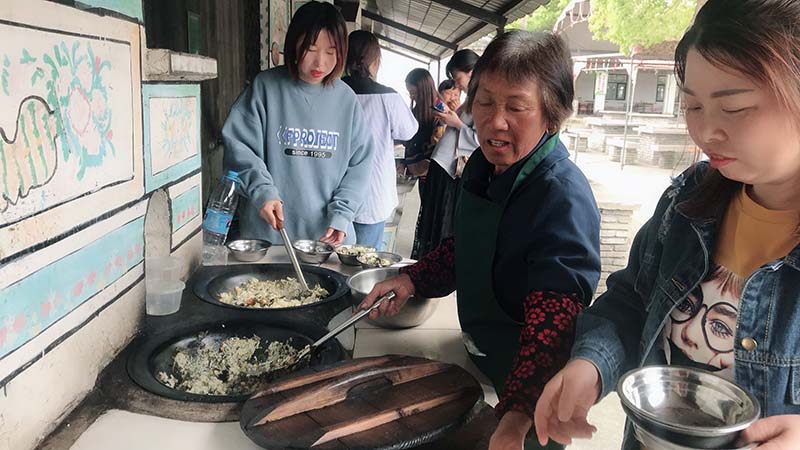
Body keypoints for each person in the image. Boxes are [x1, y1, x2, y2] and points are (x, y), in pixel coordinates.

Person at [534, 1, 800, 449]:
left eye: (734, 108)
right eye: (692, 105)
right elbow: (632, 301)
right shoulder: (689, 201)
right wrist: (592, 364)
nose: (705, 132)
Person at [360, 31, 601, 450]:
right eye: (485, 102)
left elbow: (555, 318)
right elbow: (469, 247)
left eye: (516, 107)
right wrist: (412, 279)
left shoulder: (561, 196)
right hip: (479, 360)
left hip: (532, 395)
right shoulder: (483, 168)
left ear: (552, 115)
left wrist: (518, 412)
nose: (495, 121)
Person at [222, 1, 374, 247]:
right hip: (269, 239)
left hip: (327, 240)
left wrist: (343, 214)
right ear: (293, 44)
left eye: (331, 52)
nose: (320, 63)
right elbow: (239, 148)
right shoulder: (265, 88)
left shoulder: (347, 100)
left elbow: (360, 166)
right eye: (310, 49)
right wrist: (262, 191)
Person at [342, 30, 418, 249]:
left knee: (335, 255)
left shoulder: (333, 91)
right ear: (375, 61)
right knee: (366, 257)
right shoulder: (388, 97)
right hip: (374, 190)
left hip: (336, 190)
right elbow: (408, 131)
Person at [411, 49, 481, 259]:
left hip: (450, 171)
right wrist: (451, 117)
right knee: (433, 221)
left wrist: (456, 122)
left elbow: (482, 141)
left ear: (472, 72)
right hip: (441, 167)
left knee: (442, 226)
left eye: (458, 79)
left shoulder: (483, 99)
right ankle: (427, 263)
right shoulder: (471, 99)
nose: (457, 85)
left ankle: (434, 265)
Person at [402, 68, 444, 197]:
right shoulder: (417, 110)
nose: (412, 97)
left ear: (424, 90)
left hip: (434, 175)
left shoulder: (440, 111)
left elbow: (439, 144)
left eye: (414, 93)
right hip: (421, 173)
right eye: (409, 93)